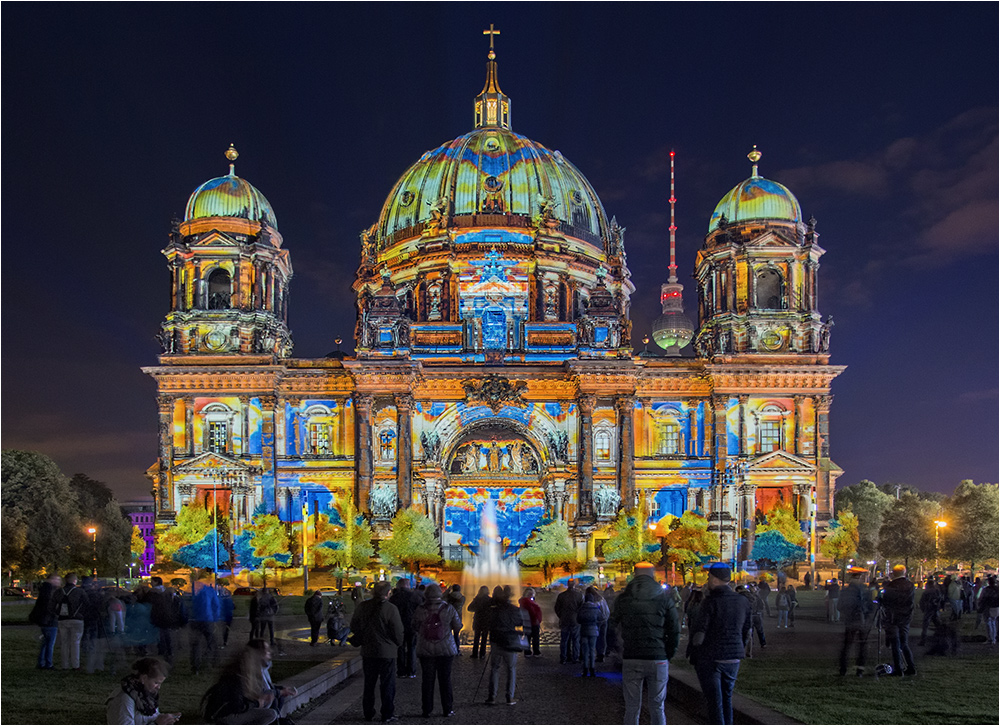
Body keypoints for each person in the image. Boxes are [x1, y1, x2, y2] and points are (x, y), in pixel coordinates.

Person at [611, 562, 680, 725]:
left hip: (632, 656)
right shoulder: (664, 598)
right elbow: (674, 630)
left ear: (634, 575)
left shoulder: (623, 598)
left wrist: (618, 648)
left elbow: (611, 626)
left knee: (632, 707)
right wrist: (668, 653)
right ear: (653, 575)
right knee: (657, 706)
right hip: (658, 657)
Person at [689, 563, 750, 726]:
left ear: (715, 580)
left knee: (714, 702)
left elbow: (700, 631)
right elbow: (746, 629)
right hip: (733, 656)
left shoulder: (710, 602)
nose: (708, 580)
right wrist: (740, 647)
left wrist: (695, 652)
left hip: (712, 657)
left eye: (709, 577)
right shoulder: (742, 601)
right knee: (727, 697)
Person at [350, 580, 404, 723]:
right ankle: (387, 713)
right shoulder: (391, 609)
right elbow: (398, 631)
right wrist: (398, 643)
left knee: (369, 683)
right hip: (387, 652)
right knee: (387, 683)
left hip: (368, 651)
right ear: (388, 592)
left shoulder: (363, 607)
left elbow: (354, 625)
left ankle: (368, 712)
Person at [411, 583, 461, 717]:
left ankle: (426, 709)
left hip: (425, 648)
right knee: (445, 679)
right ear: (440, 594)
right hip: (446, 648)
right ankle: (447, 709)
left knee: (427, 680)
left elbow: (414, 625)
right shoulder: (448, 608)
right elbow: (457, 626)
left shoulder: (420, 609)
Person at [201, 645, 277, 724]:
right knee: (271, 714)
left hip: (221, 713)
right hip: (224, 716)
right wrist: (256, 703)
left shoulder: (232, 673)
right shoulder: (235, 678)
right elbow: (237, 707)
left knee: (267, 708)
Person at [107, 657, 180, 725]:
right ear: (144, 678)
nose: (158, 687)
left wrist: (164, 719)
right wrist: (156, 723)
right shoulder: (124, 698)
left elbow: (150, 717)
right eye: (156, 683)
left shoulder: (145, 695)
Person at [485, 585, 522, 706]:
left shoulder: (493, 610)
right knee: (511, 669)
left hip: (496, 641)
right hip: (509, 641)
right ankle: (509, 696)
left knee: (494, 668)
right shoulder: (513, 609)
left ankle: (492, 696)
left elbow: (488, 624)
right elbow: (519, 622)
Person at [248, 639, 298, 723]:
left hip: (262, 700)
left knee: (278, 698)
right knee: (273, 699)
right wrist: (279, 692)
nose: (269, 652)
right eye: (266, 650)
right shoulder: (253, 670)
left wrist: (281, 689)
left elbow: (268, 685)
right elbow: (260, 691)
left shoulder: (263, 668)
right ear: (259, 653)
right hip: (252, 705)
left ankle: (276, 720)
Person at [881, 564, 917, 677]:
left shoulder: (891, 585)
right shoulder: (910, 585)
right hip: (905, 617)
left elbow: (887, 601)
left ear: (893, 573)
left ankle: (898, 668)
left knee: (895, 644)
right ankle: (911, 667)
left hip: (893, 617)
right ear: (904, 573)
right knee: (904, 643)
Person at [837, 567, 873, 677]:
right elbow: (870, 607)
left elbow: (840, 606)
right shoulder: (866, 591)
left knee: (847, 645)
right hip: (862, 621)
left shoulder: (846, 591)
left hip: (850, 620)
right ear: (861, 577)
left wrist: (847, 613)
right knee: (862, 645)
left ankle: (843, 668)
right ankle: (860, 670)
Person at [53, 572, 87, 670]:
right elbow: (87, 604)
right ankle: (75, 665)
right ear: (75, 581)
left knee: (64, 642)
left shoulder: (59, 592)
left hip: (62, 619)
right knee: (75, 642)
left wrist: (57, 613)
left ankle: (65, 665)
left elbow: (52, 605)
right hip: (77, 619)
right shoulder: (79, 592)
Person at [389, 578, 423, 678]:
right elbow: (420, 610)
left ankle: (401, 671)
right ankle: (411, 671)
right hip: (411, 626)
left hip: (398, 625)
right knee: (412, 648)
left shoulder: (394, 598)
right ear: (408, 586)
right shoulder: (415, 596)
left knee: (400, 648)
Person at [147, 577, 185, 666]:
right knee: (167, 635)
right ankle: (169, 652)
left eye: (152, 581)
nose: (150, 583)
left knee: (160, 635)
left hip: (158, 617)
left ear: (156, 582)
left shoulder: (152, 593)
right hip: (168, 616)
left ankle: (161, 652)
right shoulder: (168, 592)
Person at [190, 576, 222, 674]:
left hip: (196, 620)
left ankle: (196, 667)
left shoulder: (194, 591)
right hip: (208, 619)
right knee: (211, 642)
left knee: (196, 644)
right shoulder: (209, 591)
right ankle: (211, 662)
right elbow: (216, 605)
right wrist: (215, 618)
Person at [30, 572, 62, 669]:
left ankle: (41, 662)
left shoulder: (45, 589)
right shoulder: (50, 591)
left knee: (45, 643)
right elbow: (49, 606)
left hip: (44, 620)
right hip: (49, 621)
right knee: (50, 643)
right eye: (57, 579)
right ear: (51, 580)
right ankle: (48, 663)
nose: (59, 582)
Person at [577, 586, 607, 677]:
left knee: (585, 650)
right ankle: (592, 669)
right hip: (594, 631)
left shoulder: (581, 608)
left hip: (584, 631)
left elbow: (578, 619)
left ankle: (585, 669)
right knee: (592, 650)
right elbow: (601, 618)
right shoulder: (596, 609)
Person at [554, 580, 584, 664]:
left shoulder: (561, 595)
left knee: (564, 640)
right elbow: (582, 608)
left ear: (567, 585)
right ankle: (575, 657)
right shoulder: (579, 595)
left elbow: (557, 608)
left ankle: (563, 657)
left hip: (564, 620)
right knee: (576, 640)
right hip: (575, 620)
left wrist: (561, 616)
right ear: (575, 585)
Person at [467, 586, 491, 659]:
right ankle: (482, 654)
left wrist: (477, 609)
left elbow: (469, 608)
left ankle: (474, 654)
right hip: (486, 621)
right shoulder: (489, 600)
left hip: (478, 620)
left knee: (476, 638)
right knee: (484, 638)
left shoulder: (477, 599)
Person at [518, 587, 543, 658]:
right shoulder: (528, 602)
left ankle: (527, 651)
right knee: (535, 637)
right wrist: (537, 619)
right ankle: (536, 652)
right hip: (533, 622)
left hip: (526, 622)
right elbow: (532, 612)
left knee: (527, 637)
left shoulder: (524, 601)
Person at [444, 584, 466, 653]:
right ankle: (457, 649)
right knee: (456, 635)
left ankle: (448, 649)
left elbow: (442, 598)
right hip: (458, 617)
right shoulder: (462, 598)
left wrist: (447, 591)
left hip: (449, 616)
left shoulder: (448, 597)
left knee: (448, 634)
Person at [978, 574, 998, 645]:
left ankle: (990, 638)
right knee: (994, 622)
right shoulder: (997, 589)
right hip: (996, 607)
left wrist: (980, 606)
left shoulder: (986, 590)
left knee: (988, 623)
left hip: (988, 607)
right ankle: (994, 638)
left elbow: (982, 598)